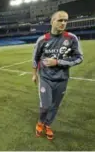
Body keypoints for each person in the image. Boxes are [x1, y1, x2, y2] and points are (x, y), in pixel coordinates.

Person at [32, 11, 83, 140]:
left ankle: (48, 125)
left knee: (55, 105)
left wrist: (58, 62)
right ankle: (40, 122)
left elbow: (79, 58)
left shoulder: (71, 38)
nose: (63, 23)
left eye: (65, 20)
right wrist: (34, 74)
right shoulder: (42, 40)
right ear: (52, 22)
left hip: (62, 78)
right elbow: (35, 58)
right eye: (60, 20)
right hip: (45, 77)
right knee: (45, 105)